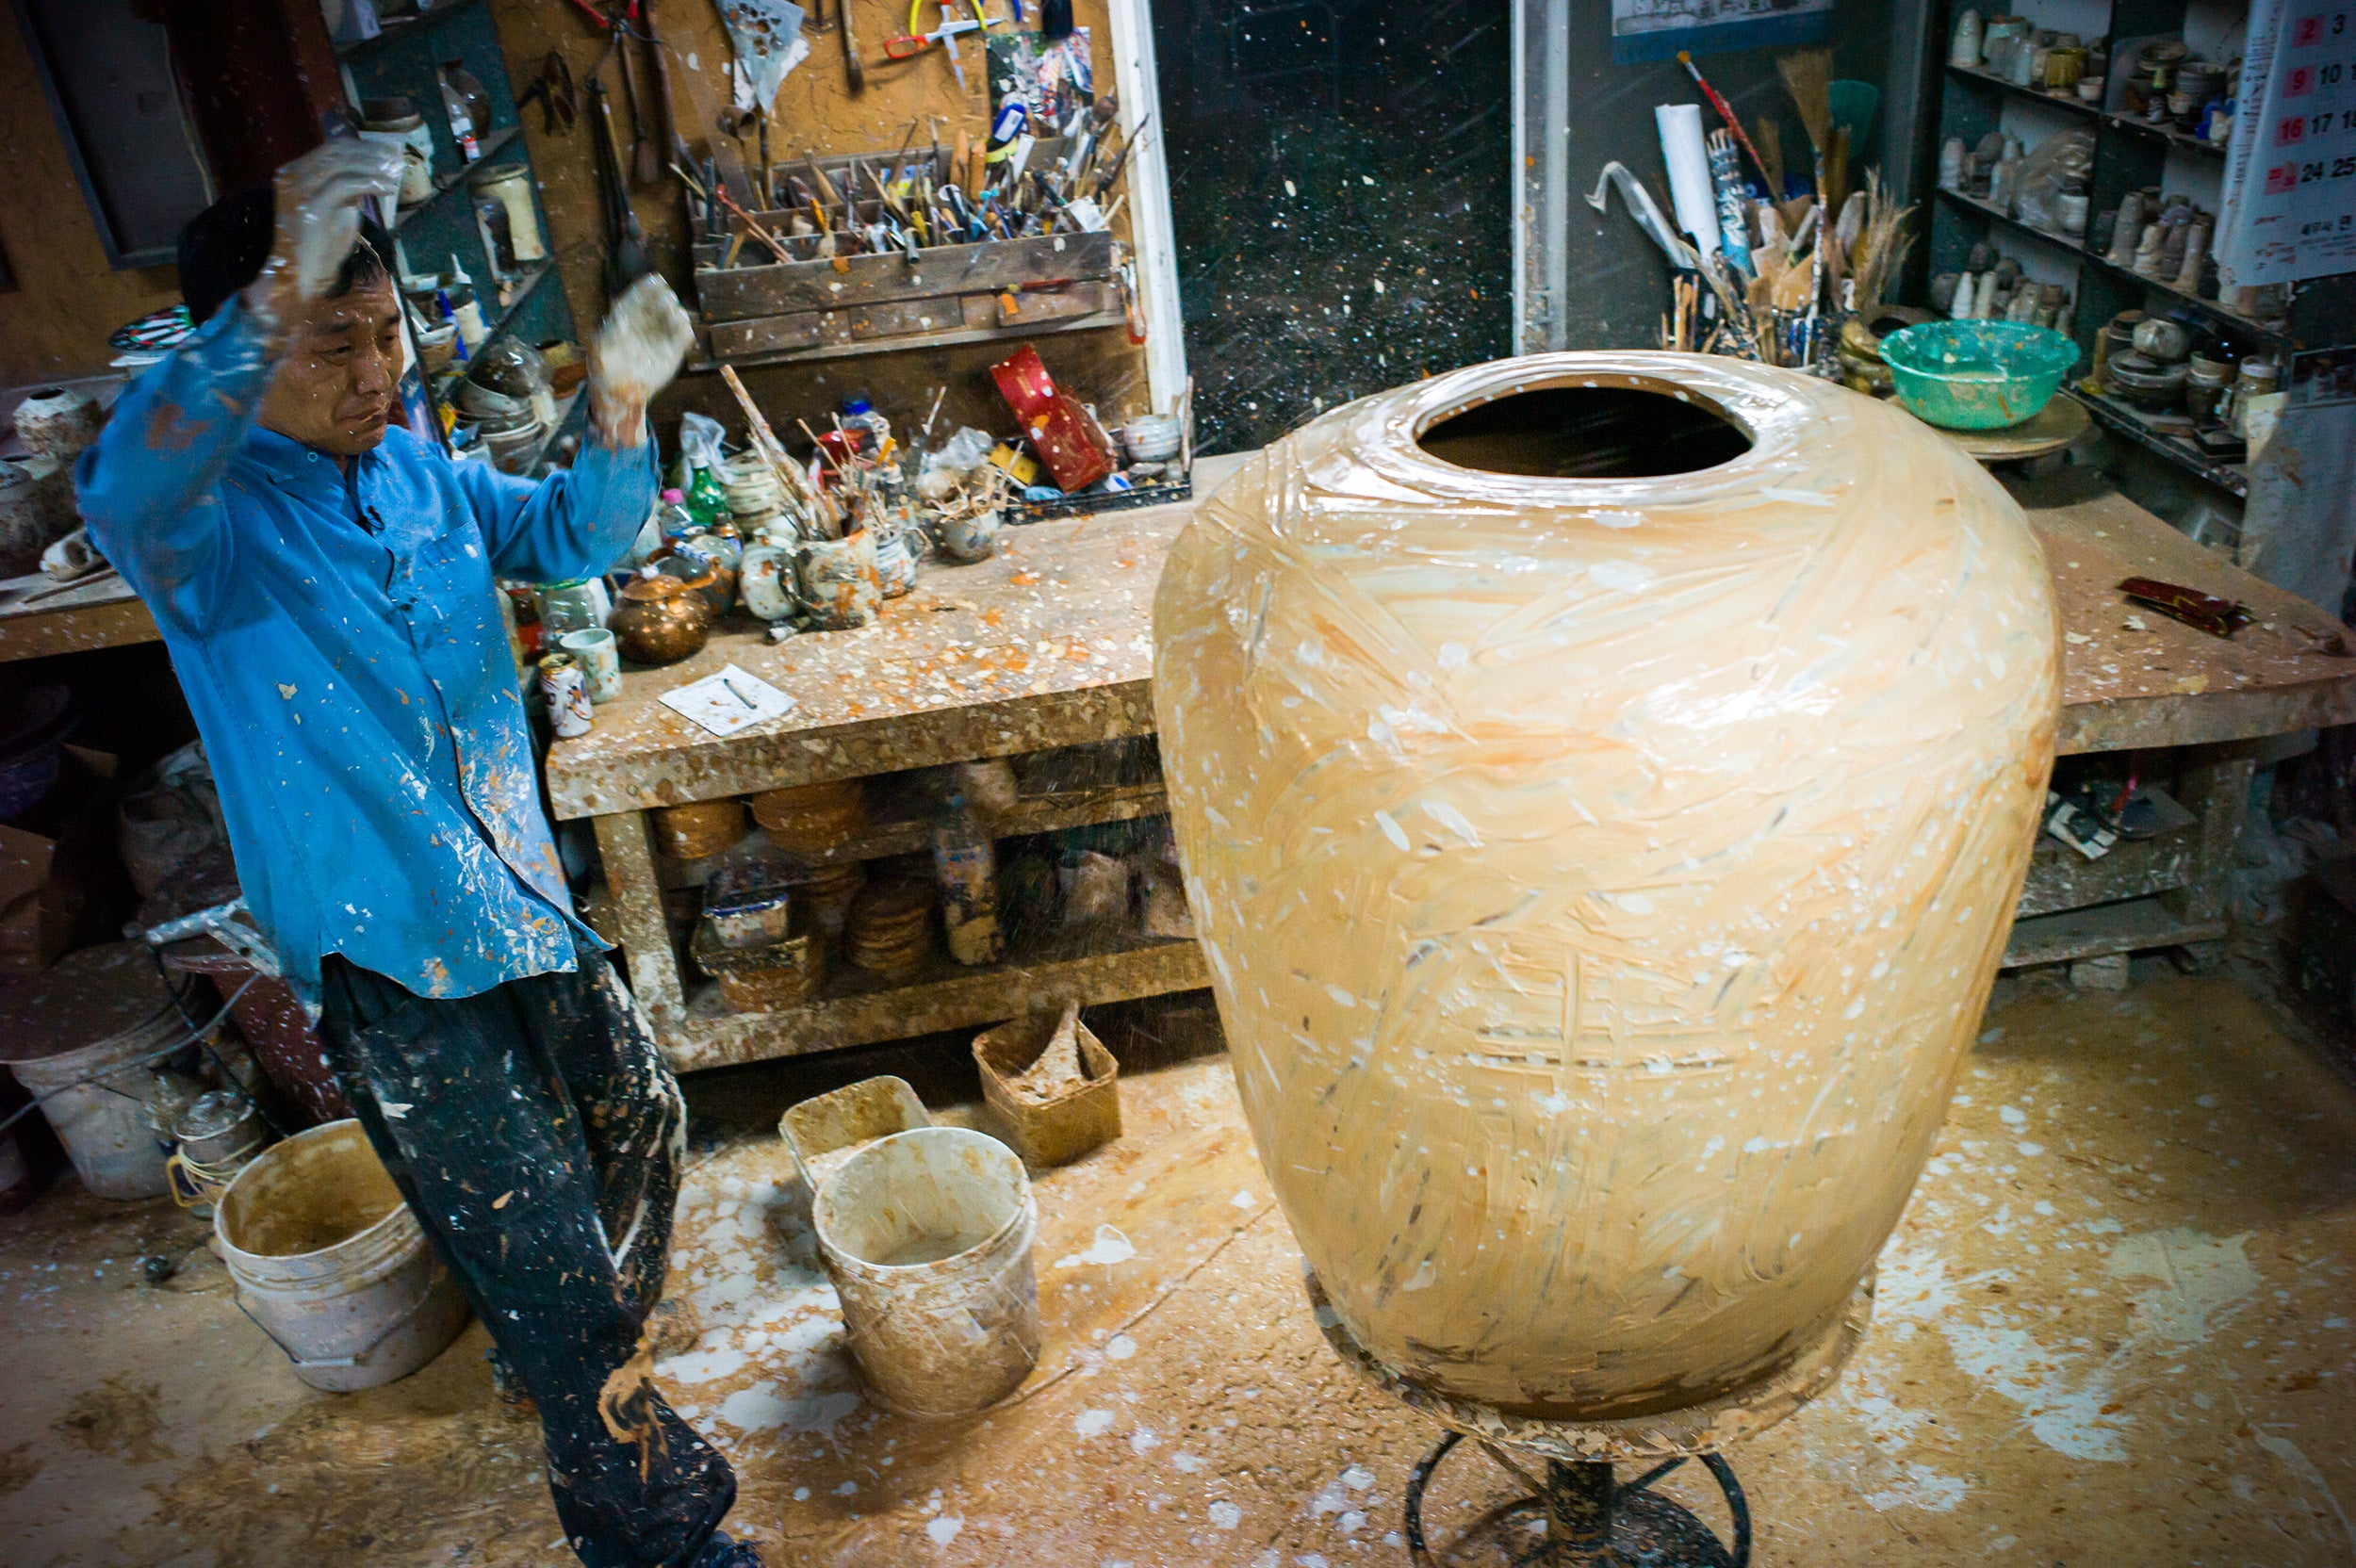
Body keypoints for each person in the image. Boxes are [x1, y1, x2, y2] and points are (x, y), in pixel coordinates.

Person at [76, 140, 764, 1568]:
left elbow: (583, 533)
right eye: (331, 346)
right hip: (389, 954)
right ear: (244, 351)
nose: (377, 370)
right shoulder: (211, 534)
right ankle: (655, 1533)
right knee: (558, 1267)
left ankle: (551, 1343)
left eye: (386, 334)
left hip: (514, 903)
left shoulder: (418, 475)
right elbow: (123, 491)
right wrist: (272, 294)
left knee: (640, 1123)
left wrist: (625, 399)